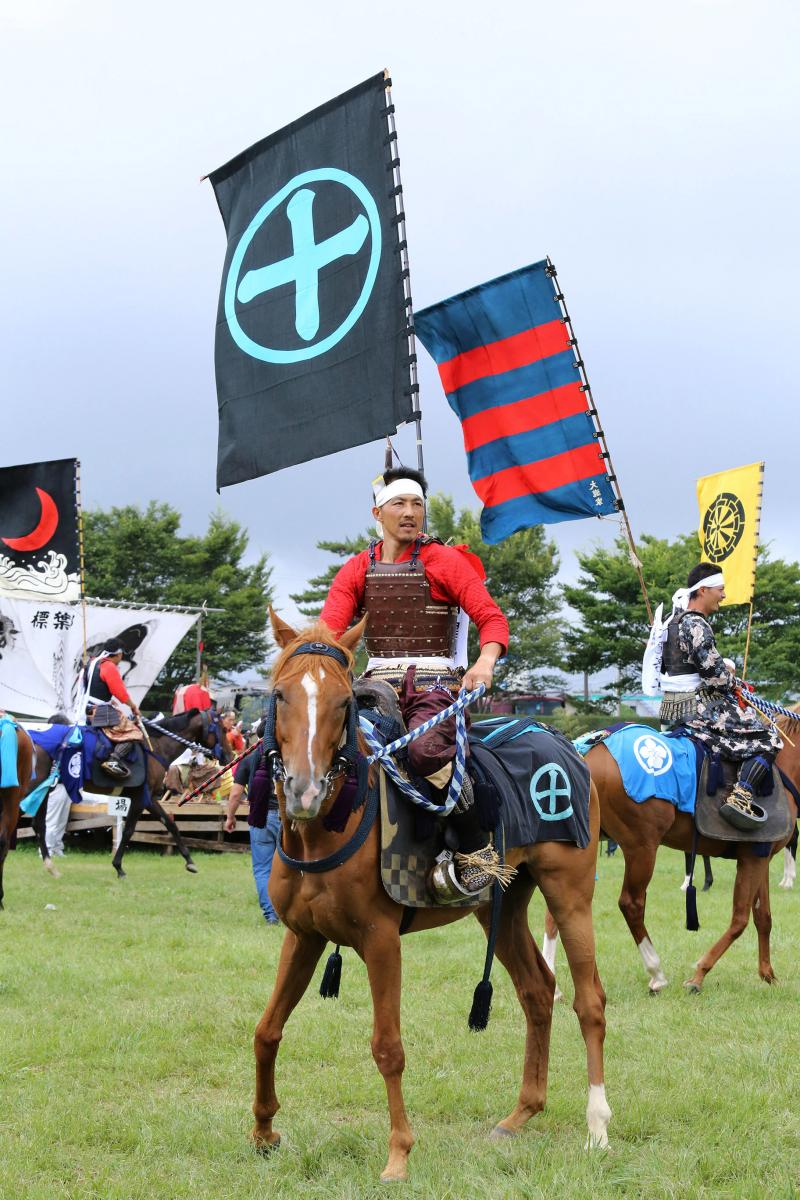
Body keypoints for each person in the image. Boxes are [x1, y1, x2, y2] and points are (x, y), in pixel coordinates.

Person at [320, 466, 511, 899]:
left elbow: (491, 617)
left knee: (426, 752)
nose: (410, 513)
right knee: (335, 748)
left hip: (434, 685)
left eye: (417, 504)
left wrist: (485, 660)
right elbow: (331, 631)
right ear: (378, 512)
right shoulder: (356, 568)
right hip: (374, 686)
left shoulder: (444, 560)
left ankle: (475, 848)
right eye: (399, 504)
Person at [648, 562, 782, 829]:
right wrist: (733, 677)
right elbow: (716, 678)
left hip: (672, 706)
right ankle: (741, 795)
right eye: (720, 589)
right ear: (704, 589)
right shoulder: (696, 624)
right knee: (769, 737)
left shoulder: (672, 622)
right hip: (699, 707)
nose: (723, 595)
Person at [224, 729, 280, 924]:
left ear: (258, 736)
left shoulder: (248, 759)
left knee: (263, 869)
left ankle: (271, 914)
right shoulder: (289, 756)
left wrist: (229, 817)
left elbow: (235, 794)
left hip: (261, 818)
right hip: (288, 819)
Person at [81, 638, 143, 779]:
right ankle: (113, 760)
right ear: (118, 654)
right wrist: (133, 707)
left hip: (87, 707)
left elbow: (94, 688)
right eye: (121, 655)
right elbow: (121, 694)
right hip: (99, 712)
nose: (121, 659)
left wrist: (108, 700)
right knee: (134, 733)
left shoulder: (92, 662)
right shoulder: (109, 667)